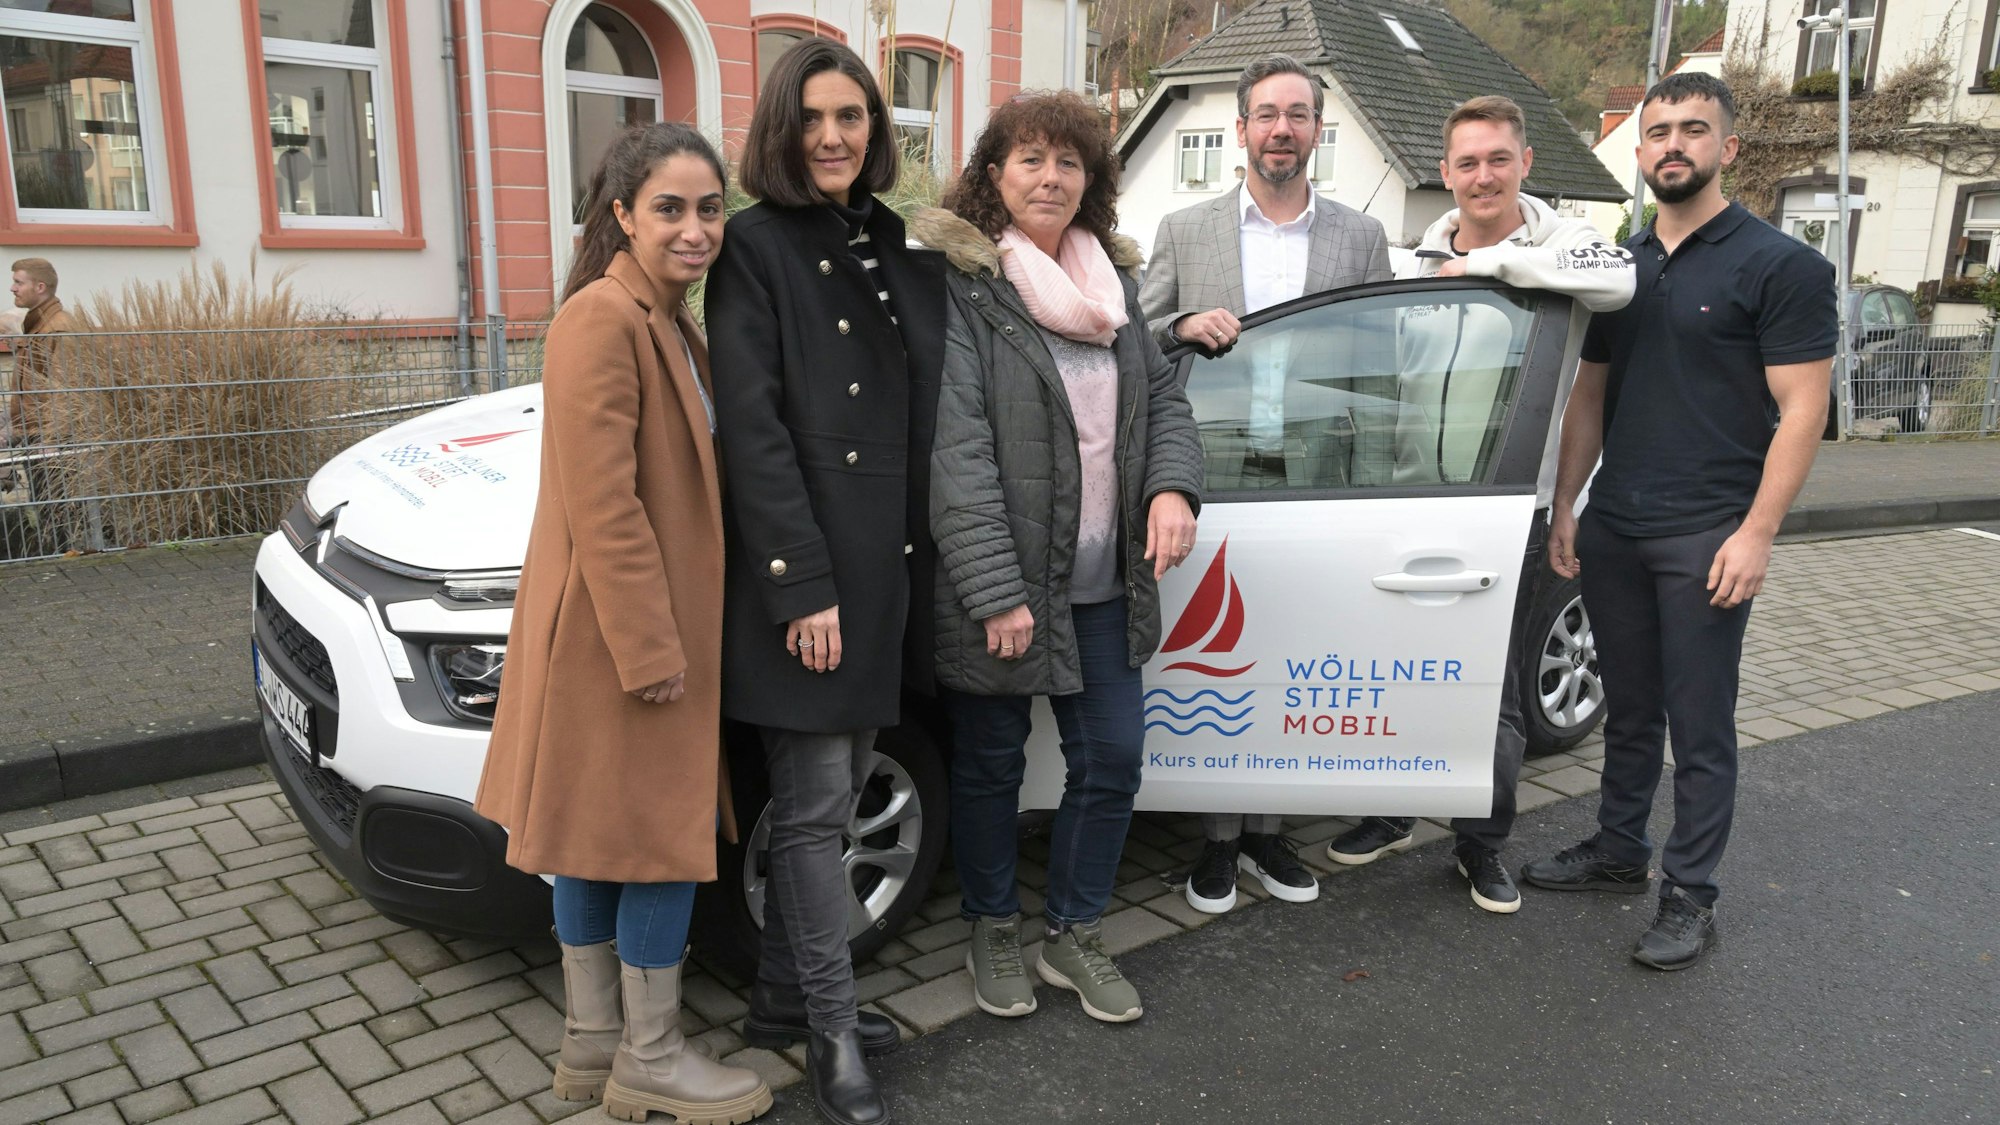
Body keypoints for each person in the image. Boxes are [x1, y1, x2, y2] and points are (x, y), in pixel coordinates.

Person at [471, 123, 772, 1124]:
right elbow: (606, 504)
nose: (695, 230)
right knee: (655, 840)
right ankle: (650, 1057)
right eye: (670, 210)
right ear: (621, 216)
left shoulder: (664, 319)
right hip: (626, 641)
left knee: (597, 841)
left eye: (708, 208)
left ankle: (591, 1045)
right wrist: (652, 650)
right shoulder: (604, 319)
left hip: (623, 635)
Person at [1519, 73, 1834, 970]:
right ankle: (1619, 850)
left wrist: (1759, 531)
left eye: (1692, 131)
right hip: (1617, 522)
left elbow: (1803, 409)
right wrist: (1571, 505)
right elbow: (1590, 392)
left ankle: (1691, 893)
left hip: (1708, 532)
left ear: (1727, 148)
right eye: (1657, 131)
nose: (1671, 146)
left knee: (1699, 723)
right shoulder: (1623, 261)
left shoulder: (1782, 266)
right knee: (1628, 711)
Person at [913, 89, 1204, 1025]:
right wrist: (996, 590)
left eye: (1069, 162)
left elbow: (1164, 409)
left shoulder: (1111, 292)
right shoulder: (969, 289)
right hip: (1002, 587)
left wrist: (1170, 487)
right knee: (993, 765)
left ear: (1092, 181)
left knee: (1114, 759)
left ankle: (1074, 932)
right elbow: (955, 454)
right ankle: (993, 922)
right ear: (995, 176)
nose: (1051, 177)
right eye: (1031, 159)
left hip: (1106, 584)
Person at [703, 37, 945, 1125]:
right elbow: (750, 434)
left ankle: (774, 1000)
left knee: (840, 791)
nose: (835, 136)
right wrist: (801, 589)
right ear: (781, 130)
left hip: (881, 570)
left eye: (851, 116)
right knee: (809, 814)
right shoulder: (751, 249)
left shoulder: (894, 240)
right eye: (812, 118)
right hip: (805, 580)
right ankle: (831, 1030)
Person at [1325, 95, 1635, 915]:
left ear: (1526, 162)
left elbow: (1619, 281)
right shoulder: (1417, 257)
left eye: (1499, 158)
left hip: (1515, 510)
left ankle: (1480, 844)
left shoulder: (1568, 244)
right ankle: (1390, 809)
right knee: (1399, 668)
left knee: (1491, 692)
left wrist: (1494, 268)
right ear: (1445, 172)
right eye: (1467, 162)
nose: (1484, 175)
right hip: (1415, 498)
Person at [1137, 54, 1392, 915]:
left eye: (1298, 114)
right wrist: (1178, 323)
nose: (1281, 128)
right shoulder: (1185, 227)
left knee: (1293, 647)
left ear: (1319, 129)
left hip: (1320, 468)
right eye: (1265, 114)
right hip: (1215, 464)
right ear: (1241, 128)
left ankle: (1268, 828)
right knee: (1221, 654)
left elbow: (1378, 364)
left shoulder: (1359, 237)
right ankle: (1216, 837)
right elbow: (1136, 333)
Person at [4, 258, 74, 497]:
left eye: (18, 282)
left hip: (52, 443)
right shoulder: (38, 326)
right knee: (45, 507)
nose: (12, 288)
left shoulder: (58, 328)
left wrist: (53, 440)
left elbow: (66, 388)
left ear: (40, 287)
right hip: (35, 436)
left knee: (60, 511)